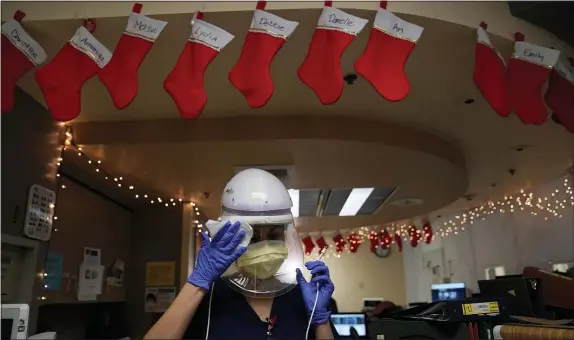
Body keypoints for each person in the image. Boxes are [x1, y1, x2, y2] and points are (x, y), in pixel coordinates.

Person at [144, 169, 336, 340]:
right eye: (252, 237)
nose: (264, 246)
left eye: (274, 235)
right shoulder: (210, 297)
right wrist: (196, 283)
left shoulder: (302, 297)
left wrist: (320, 322)